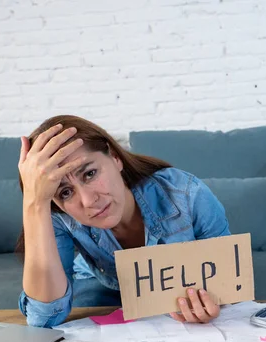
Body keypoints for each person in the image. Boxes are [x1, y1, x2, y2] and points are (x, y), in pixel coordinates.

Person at [16, 115, 230, 328]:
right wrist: (34, 203)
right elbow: (44, 318)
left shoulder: (187, 194)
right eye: (65, 192)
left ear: (115, 157)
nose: (89, 201)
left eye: (90, 173)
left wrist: (213, 300)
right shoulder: (57, 216)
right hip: (101, 281)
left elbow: (228, 282)